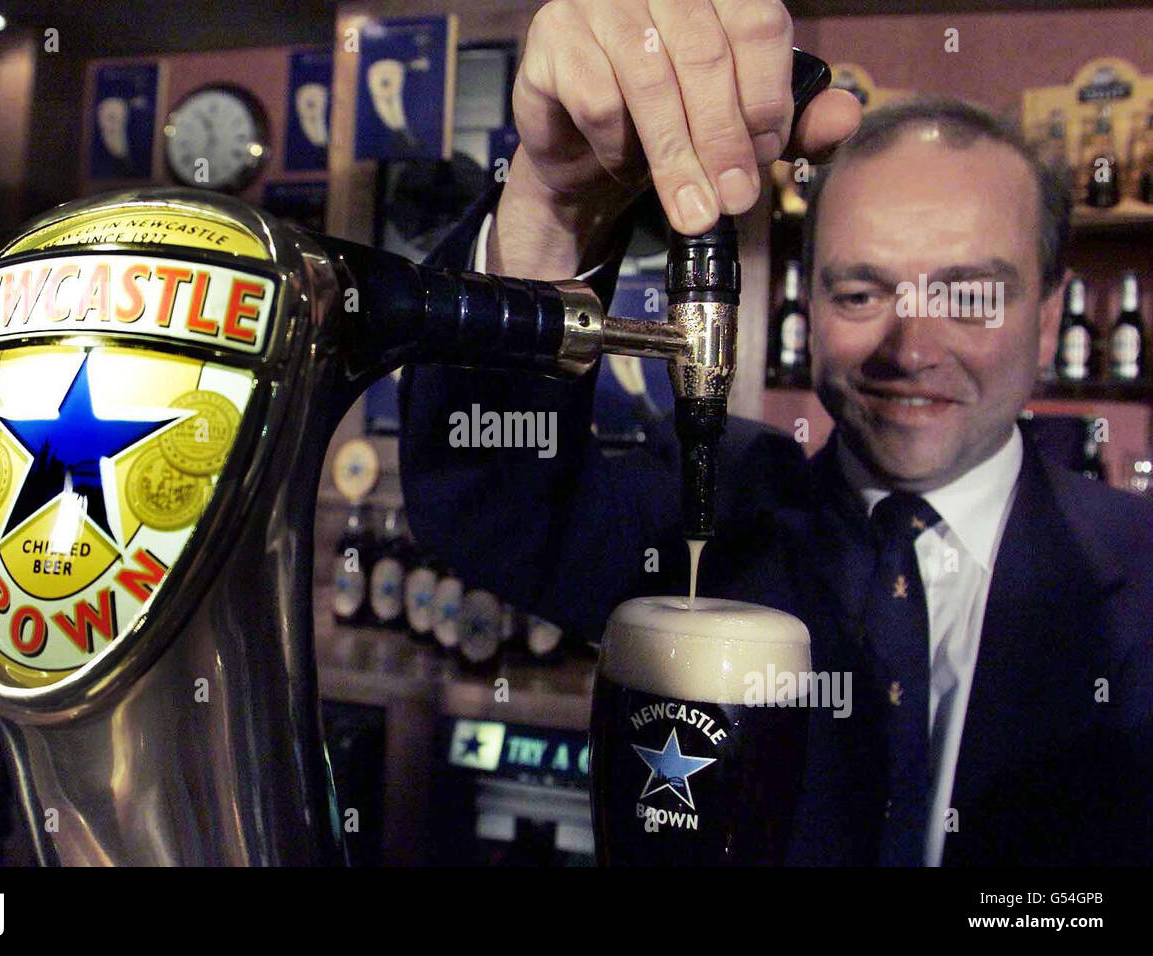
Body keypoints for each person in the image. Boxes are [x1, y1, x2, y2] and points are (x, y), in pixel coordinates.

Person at [398, 0, 1153, 866]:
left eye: (969, 294)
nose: (912, 347)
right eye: (861, 292)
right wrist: (551, 205)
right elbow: (490, 491)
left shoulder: (1142, 571)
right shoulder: (717, 507)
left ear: (1050, 319)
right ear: (809, 301)